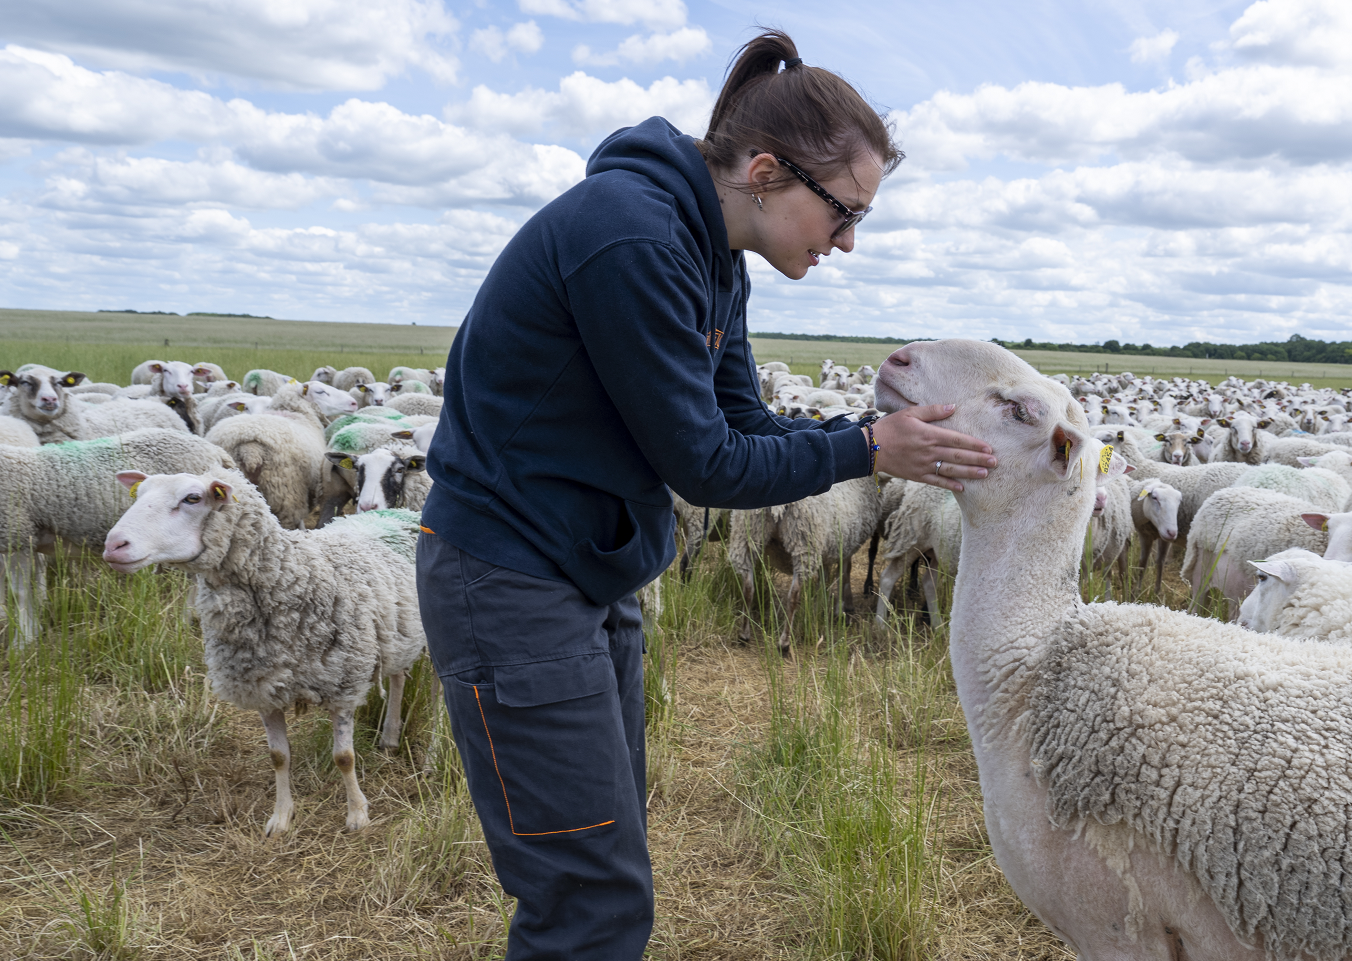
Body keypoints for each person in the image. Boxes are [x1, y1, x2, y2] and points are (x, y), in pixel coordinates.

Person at [415, 29, 995, 961]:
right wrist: (869, 451)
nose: (846, 241)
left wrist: (867, 437)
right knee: (587, 897)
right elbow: (707, 466)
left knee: (609, 861)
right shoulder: (633, 238)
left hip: (588, 573)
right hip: (512, 575)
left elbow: (746, 425)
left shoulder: (713, 254)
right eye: (844, 211)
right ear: (766, 172)